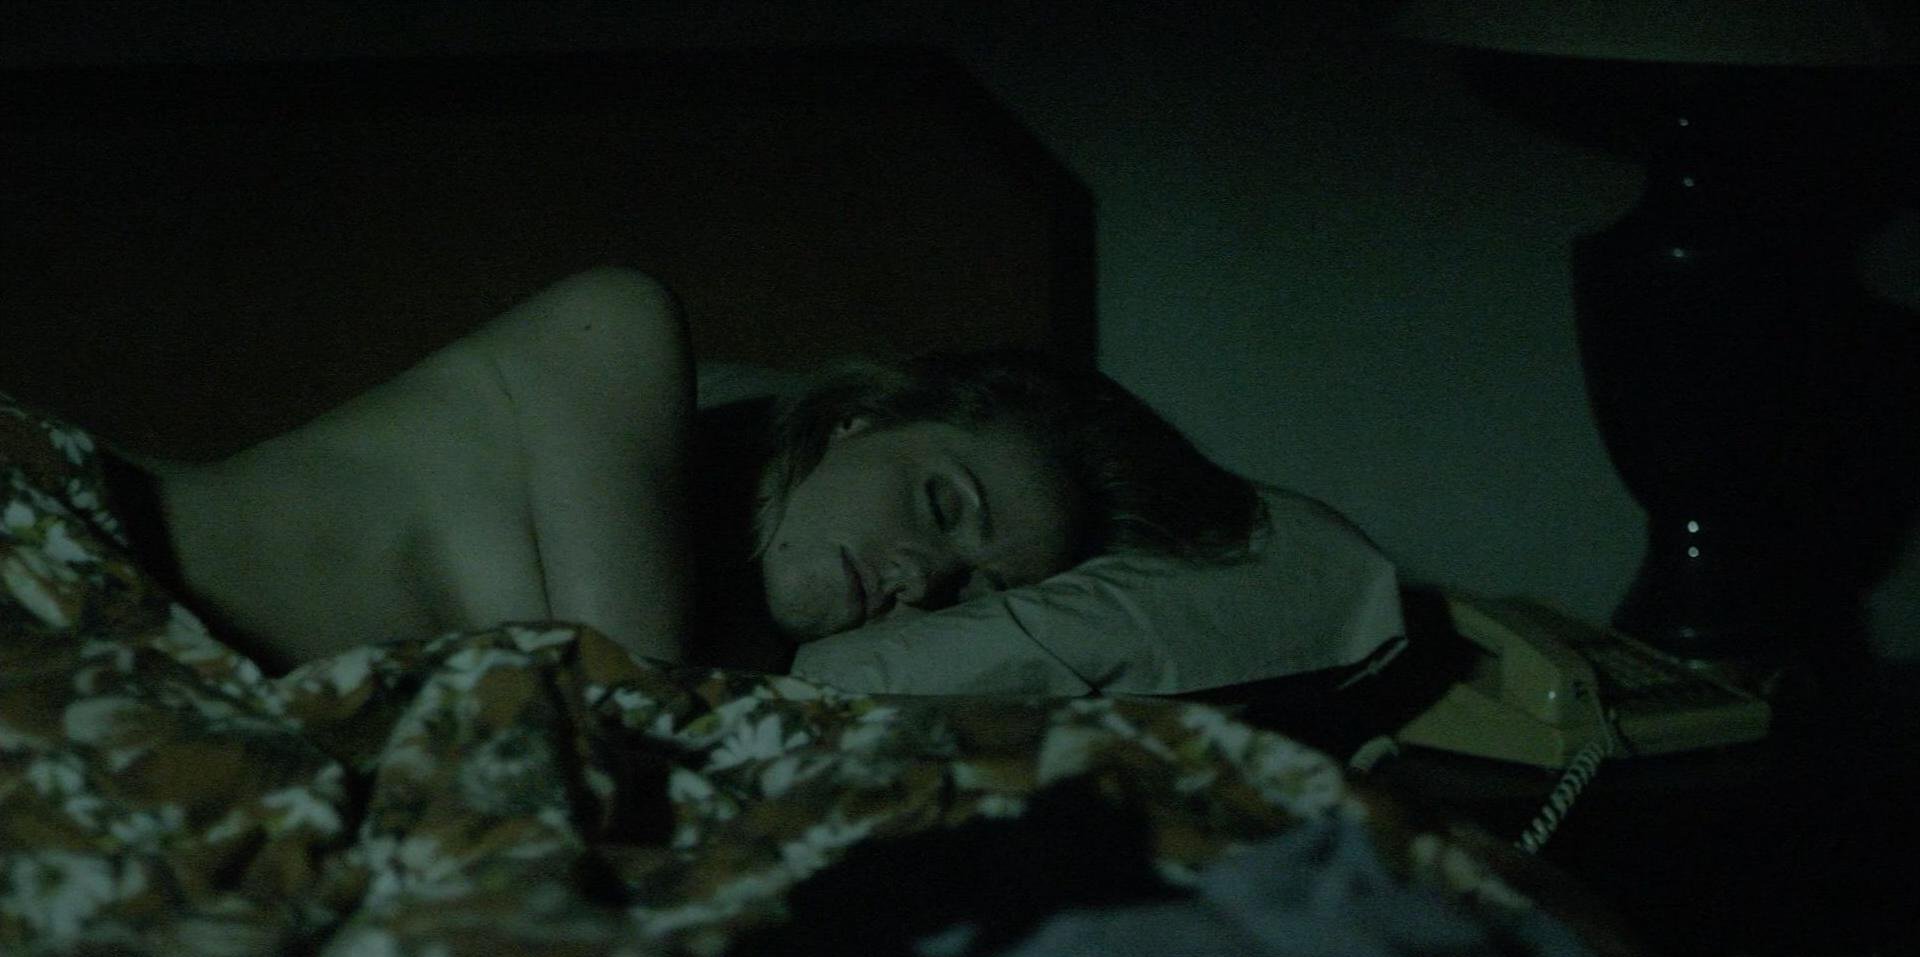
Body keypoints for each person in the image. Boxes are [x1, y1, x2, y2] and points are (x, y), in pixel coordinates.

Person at [114, 268, 1265, 674]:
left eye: (972, 586)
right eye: (939, 503)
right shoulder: (617, 330)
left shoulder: (762, 666)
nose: (925, 577)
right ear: (858, 417)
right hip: (88, 562)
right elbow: (619, 684)